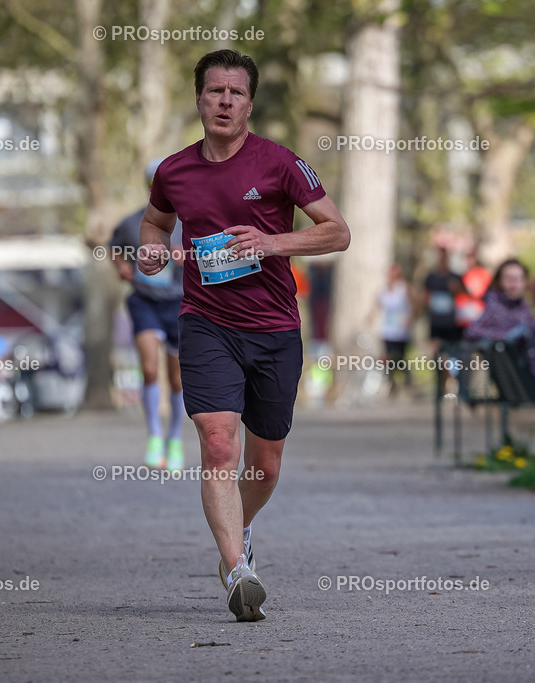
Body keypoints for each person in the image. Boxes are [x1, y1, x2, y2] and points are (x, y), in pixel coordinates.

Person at [137, 49, 350, 622]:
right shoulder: (174, 170)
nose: (224, 101)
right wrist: (153, 249)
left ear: (250, 103)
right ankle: (236, 569)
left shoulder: (281, 164)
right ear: (199, 99)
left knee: (267, 464)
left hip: (275, 328)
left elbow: (338, 232)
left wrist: (271, 242)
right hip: (205, 323)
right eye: (214, 91)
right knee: (217, 443)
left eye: (235, 93)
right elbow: (155, 221)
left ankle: (242, 525)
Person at [110, 159, 186, 472]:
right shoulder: (132, 222)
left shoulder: (189, 221)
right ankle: (154, 436)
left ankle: (176, 439)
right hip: (145, 301)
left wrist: (189, 257)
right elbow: (114, 247)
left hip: (181, 302)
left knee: (178, 378)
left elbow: (212, 253)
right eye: (155, 182)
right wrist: (122, 266)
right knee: (150, 368)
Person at [465, 258, 535, 396]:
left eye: (518, 279)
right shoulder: (494, 306)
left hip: (530, 369)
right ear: (499, 282)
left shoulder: (523, 306)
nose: (514, 283)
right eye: (509, 279)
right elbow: (472, 331)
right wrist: (505, 336)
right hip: (516, 377)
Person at [372, 263, 413, 397]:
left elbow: (413, 305)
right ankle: (390, 383)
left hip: (401, 330)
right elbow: (377, 305)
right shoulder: (383, 289)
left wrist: (408, 319)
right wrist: (371, 317)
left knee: (400, 357)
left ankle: (407, 382)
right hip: (388, 330)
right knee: (387, 358)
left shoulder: (404, 288)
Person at [424, 247, 465, 352]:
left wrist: (457, 289)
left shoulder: (455, 277)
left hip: (452, 322)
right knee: (436, 353)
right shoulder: (431, 277)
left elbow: (467, 294)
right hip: (436, 321)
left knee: (452, 353)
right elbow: (425, 296)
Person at [455, 248, 491, 328]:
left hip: (476, 316)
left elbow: (477, 292)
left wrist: (460, 289)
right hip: (462, 318)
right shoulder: (464, 274)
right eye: (466, 258)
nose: (468, 260)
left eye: (471, 257)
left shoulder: (482, 273)